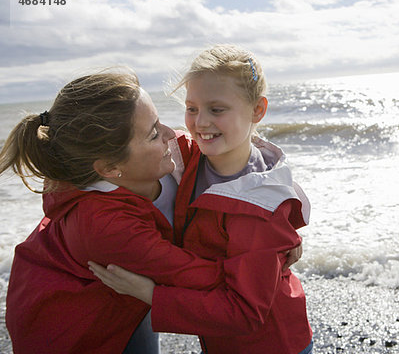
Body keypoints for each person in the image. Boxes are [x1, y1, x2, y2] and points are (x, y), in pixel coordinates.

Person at [0, 70, 296, 354]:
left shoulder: (173, 154)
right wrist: (270, 254)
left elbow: (248, 167)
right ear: (111, 169)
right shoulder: (103, 226)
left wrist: (281, 225)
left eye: (159, 121)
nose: (172, 133)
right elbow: (199, 276)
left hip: (127, 292)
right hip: (70, 327)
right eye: (153, 134)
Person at [90, 45, 313, 354]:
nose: (200, 123)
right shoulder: (190, 156)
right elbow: (110, 150)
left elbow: (245, 313)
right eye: (192, 108)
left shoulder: (260, 206)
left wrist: (151, 294)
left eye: (216, 109)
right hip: (218, 339)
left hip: (272, 343)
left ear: (257, 110)